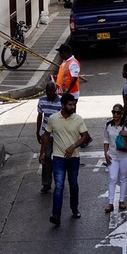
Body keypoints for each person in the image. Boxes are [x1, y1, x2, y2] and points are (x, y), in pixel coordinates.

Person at [40, 93, 90, 226]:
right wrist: (42, 153)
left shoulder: (78, 119)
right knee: (59, 186)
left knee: (73, 184)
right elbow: (46, 136)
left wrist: (73, 147)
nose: (72, 106)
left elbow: (85, 136)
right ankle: (56, 215)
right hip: (58, 158)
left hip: (74, 158)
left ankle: (74, 208)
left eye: (74, 104)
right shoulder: (53, 119)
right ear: (62, 105)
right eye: (70, 104)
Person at [103, 105, 127, 212]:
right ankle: (110, 203)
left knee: (123, 178)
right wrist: (105, 153)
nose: (115, 115)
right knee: (112, 178)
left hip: (125, 156)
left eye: (118, 113)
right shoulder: (108, 125)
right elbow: (106, 140)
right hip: (112, 156)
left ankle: (121, 201)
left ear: (122, 113)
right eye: (113, 112)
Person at [36, 80, 62, 194]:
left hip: (59, 135)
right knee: (46, 157)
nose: (50, 93)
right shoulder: (41, 101)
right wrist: (38, 132)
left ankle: (59, 181)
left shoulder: (61, 101)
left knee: (58, 158)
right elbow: (39, 116)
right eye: (48, 91)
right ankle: (46, 183)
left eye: (52, 91)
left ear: (55, 90)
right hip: (46, 134)